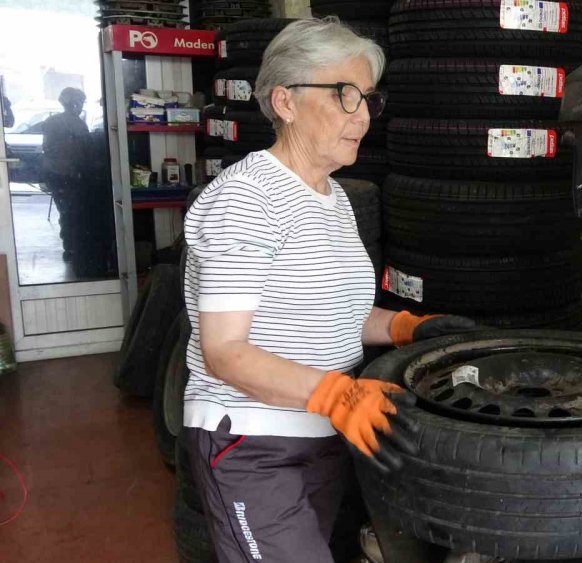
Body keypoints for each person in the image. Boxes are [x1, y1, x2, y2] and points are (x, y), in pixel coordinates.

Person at [182, 18, 475, 562]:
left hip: (324, 435)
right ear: (285, 102)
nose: (363, 115)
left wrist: (407, 326)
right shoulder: (246, 200)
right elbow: (223, 351)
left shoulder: (333, 199)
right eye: (345, 95)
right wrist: (338, 396)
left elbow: (336, 312)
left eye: (367, 98)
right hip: (252, 442)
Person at [41, 87, 89, 260]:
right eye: (81, 102)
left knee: (66, 212)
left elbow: (46, 148)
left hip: (54, 174)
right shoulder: (77, 124)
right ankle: (73, 249)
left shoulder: (51, 121)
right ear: (75, 103)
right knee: (73, 212)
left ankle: (70, 247)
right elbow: (84, 152)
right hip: (68, 175)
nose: (82, 106)